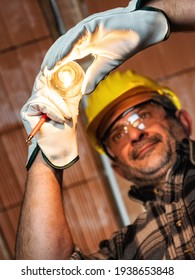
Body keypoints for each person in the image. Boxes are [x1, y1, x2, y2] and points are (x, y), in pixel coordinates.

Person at [15, 0, 195, 260]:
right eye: (117, 134)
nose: (134, 134)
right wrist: (44, 154)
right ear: (117, 167)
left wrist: (159, 17)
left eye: (142, 115)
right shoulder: (124, 252)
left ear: (184, 121)